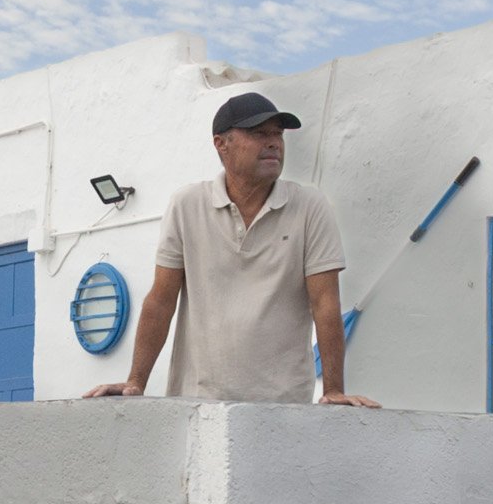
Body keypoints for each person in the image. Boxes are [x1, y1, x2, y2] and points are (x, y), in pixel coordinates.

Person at [84, 91, 378, 407]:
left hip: (282, 405)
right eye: (259, 133)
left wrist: (333, 391)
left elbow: (325, 302)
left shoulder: (310, 207)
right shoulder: (187, 205)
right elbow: (161, 300)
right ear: (221, 143)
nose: (273, 143)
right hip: (197, 402)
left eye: (278, 134)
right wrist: (135, 383)